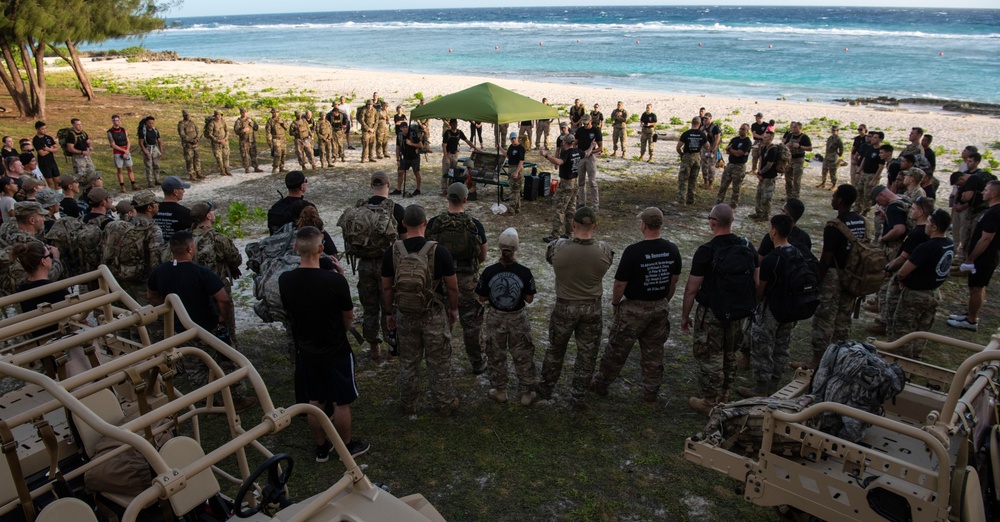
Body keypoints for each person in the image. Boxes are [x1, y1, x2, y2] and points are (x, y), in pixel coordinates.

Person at [278, 226, 368, 461]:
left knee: (315, 401)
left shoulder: (285, 280)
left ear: (296, 248)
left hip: (306, 349)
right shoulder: (334, 281)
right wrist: (340, 276)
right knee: (341, 401)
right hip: (336, 348)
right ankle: (346, 447)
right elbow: (347, 317)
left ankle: (321, 448)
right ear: (321, 248)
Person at [147, 231, 255, 410]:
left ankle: (208, 403)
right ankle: (237, 400)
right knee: (228, 362)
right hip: (207, 327)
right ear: (190, 248)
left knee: (194, 368)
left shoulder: (159, 272)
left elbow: (152, 296)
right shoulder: (200, 272)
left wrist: (171, 310)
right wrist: (223, 318)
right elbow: (223, 298)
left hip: (180, 329)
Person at [592, 207, 680, 403]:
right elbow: (674, 280)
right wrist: (664, 301)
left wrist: (616, 303)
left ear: (643, 225)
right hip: (659, 307)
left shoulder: (634, 251)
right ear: (660, 224)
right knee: (654, 351)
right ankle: (651, 391)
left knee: (617, 349)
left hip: (633, 309)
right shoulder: (672, 249)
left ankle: (601, 384)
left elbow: (620, 283)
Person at [381, 205, 460, 416]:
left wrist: (389, 313)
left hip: (405, 315)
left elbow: (387, 287)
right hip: (433, 313)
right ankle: (444, 404)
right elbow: (452, 286)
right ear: (425, 223)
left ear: (404, 224)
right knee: (439, 362)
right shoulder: (439, 251)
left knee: (408, 362)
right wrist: (453, 310)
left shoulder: (393, 251)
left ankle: (409, 404)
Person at [681, 204, 758, 414]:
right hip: (738, 311)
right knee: (730, 353)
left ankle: (709, 401)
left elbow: (691, 289)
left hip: (712, 313)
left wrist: (685, 316)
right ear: (731, 221)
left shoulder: (707, 251)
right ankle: (725, 394)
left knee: (710, 356)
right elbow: (756, 281)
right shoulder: (747, 246)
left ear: (713, 222)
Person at [538, 207, 614, 410]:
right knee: (587, 354)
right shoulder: (605, 250)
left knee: (555, 350)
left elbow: (549, 258)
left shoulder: (557, 247)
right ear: (595, 226)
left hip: (564, 306)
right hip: (592, 308)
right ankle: (578, 396)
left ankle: (546, 388)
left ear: (573, 224)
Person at [800, 185, 867, 370]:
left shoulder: (834, 226)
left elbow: (826, 258)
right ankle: (839, 357)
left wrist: (817, 281)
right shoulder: (860, 221)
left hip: (834, 276)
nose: (832, 198)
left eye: (834, 196)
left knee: (823, 318)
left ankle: (817, 360)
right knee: (843, 318)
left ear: (840, 201)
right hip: (852, 275)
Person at [426, 183, 488, 373]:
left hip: (440, 282)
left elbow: (427, 251)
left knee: (442, 324)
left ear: (448, 197)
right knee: (472, 324)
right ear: (465, 199)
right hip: (467, 281)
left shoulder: (434, 223)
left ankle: (441, 362)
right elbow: (482, 256)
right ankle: (477, 362)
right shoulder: (474, 225)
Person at [737, 214, 799, 398]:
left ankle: (761, 387)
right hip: (790, 309)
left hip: (771, 309)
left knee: (763, 347)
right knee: (782, 345)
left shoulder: (772, 259)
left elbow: (760, 289)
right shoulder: (796, 252)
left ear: (774, 231)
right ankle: (774, 384)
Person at [476, 228, 538, 406]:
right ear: (517, 248)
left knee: (496, 354)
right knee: (523, 354)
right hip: (518, 318)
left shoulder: (489, 272)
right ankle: (526, 393)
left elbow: (481, 297)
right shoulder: (525, 272)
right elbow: (529, 299)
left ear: (499, 247)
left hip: (496, 317)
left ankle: (500, 390)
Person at [347, 172, 405, 360]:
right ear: (388, 184)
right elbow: (403, 242)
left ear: (371, 185)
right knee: (389, 306)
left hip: (364, 265)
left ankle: (373, 347)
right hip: (388, 266)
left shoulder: (360, 208)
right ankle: (392, 347)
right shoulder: (396, 210)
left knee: (370, 306)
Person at [949, 180, 1000, 332]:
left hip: (985, 257)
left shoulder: (994, 213)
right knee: (978, 286)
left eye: (985, 190)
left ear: (994, 193)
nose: (982, 192)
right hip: (987, 256)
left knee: (976, 288)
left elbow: (986, 238)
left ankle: (971, 321)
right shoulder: (993, 210)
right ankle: (970, 314)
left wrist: (971, 258)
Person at [867, 185, 911, 335]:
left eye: (877, 200)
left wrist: (883, 238)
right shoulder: (903, 200)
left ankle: (884, 322)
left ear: (882, 195)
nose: (878, 204)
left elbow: (899, 229)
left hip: (893, 249)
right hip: (902, 248)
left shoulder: (893, 208)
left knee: (886, 283)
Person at [541, 134, 591, 243]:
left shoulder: (566, 153)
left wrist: (546, 155)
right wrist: (592, 146)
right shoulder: (578, 151)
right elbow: (587, 154)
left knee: (559, 209)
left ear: (564, 142)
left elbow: (559, 162)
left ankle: (555, 235)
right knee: (571, 209)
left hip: (565, 183)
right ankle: (569, 233)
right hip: (574, 183)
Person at [716, 123, 752, 209]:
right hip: (730, 165)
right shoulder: (735, 139)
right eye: (740, 128)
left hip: (739, 166)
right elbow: (727, 150)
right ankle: (718, 203)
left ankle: (733, 206)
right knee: (723, 185)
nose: (741, 130)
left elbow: (738, 154)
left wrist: (732, 150)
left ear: (747, 131)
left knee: (736, 188)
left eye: (743, 129)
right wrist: (732, 151)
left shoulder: (747, 142)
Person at [676, 117, 709, 205]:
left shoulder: (686, 134)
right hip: (697, 156)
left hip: (687, 156)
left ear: (692, 123)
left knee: (683, 179)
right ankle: (691, 199)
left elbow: (678, 147)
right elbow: (707, 146)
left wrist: (682, 154)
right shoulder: (701, 134)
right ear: (699, 124)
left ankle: (681, 200)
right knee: (693, 179)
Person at [853, 133, 887, 216]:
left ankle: (865, 211)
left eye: (875, 138)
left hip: (872, 174)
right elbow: (864, 159)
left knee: (867, 194)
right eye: (873, 137)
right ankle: (856, 209)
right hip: (864, 173)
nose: (872, 139)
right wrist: (858, 171)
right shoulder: (870, 148)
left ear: (880, 139)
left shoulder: (881, 151)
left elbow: (881, 167)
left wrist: (874, 179)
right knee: (858, 190)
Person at [575, 114, 602, 212]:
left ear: (590, 121)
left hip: (590, 158)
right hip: (581, 157)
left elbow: (600, 147)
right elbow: (575, 143)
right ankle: (581, 203)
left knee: (592, 182)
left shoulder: (596, 131)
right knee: (581, 181)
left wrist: (591, 151)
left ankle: (595, 204)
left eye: (586, 123)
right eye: (584, 123)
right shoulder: (580, 130)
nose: (585, 125)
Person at [441, 119, 475, 195]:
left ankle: (451, 187)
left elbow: (467, 141)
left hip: (455, 154)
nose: (455, 125)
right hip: (448, 153)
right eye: (453, 124)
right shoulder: (447, 133)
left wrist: (475, 148)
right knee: (445, 172)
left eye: (456, 123)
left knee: (453, 172)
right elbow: (444, 146)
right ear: (450, 125)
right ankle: (444, 189)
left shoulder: (459, 132)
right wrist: (446, 157)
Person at [153, 176, 192, 242]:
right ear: (175, 192)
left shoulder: (153, 210)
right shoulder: (185, 213)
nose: (184, 191)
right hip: (177, 249)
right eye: (182, 189)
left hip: (156, 249)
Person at [106, 115, 138, 192]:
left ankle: (133, 184)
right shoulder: (110, 132)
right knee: (119, 169)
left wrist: (127, 150)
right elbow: (113, 144)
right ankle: (122, 186)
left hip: (126, 150)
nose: (116, 122)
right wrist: (123, 151)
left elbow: (128, 141)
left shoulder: (123, 130)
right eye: (114, 120)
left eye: (117, 120)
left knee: (130, 168)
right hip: (118, 152)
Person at [782, 121, 812, 200]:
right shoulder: (790, 136)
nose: (793, 129)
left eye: (795, 127)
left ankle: (795, 197)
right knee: (788, 179)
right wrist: (786, 146)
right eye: (792, 127)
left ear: (800, 128)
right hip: (789, 159)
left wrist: (800, 146)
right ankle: (789, 195)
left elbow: (810, 148)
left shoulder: (804, 137)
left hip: (798, 160)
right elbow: (784, 145)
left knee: (796, 179)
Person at [393, 124, 423, 196]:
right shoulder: (399, 136)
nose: (405, 129)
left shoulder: (412, 135)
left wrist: (411, 143)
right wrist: (398, 159)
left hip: (414, 157)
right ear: (400, 128)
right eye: (403, 128)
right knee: (400, 172)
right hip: (405, 157)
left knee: (416, 172)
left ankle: (418, 189)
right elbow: (397, 148)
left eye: (406, 127)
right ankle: (398, 189)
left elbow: (420, 145)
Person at [234, 108, 263, 174]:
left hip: (251, 140)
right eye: (242, 112)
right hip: (244, 141)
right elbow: (236, 131)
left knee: (254, 154)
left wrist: (251, 122)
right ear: (240, 113)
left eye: (245, 112)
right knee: (245, 155)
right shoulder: (238, 121)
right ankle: (246, 168)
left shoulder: (250, 120)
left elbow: (256, 128)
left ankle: (256, 167)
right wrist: (242, 131)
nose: (244, 113)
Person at [32, 122, 59, 189]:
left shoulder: (48, 138)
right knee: (49, 182)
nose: (45, 130)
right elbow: (42, 153)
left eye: (45, 128)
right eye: (42, 129)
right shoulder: (36, 140)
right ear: (37, 129)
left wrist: (48, 149)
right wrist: (51, 149)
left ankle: (59, 195)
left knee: (58, 181)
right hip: (44, 163)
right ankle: (47, 195)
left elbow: (56, 148)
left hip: (52, 162)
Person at [177, 110, 203, 181]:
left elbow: (198, 131)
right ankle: (191, 173)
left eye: (188, 115)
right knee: (189, 159)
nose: (187, 116)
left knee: (197, 158)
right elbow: (182, 135)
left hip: (196, 144)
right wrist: (191, 140)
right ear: (183, 116)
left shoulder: (193, 122)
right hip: (188, 145)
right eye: (186, 115)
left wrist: (197, 138)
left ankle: (198, 172)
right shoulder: (181, 124)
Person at [139, 116, 164, 188]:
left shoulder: (155, 130)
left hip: (155, 148)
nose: (151, 124)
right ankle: (150, 181)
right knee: (149, 166)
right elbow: (141, 143)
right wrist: (145, 152)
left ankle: (157, 179)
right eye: (150, 123)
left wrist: (161, 151)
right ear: (146, 123)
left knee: (156, 165)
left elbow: (159, 140)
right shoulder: (143, 131)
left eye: (152, 123)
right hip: (147, 148)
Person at [206, 110, 232, 176]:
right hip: (216, 143)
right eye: (218, 115)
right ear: (215, 115)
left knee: (226, 156)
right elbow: (210, 134)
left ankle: (227, 169)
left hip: (225, 142)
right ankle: (222, 170)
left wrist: (225, 139)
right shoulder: (212, 123)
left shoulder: (223, 121)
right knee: (219, 157)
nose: (219, 116)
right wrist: (217, 140)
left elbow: (227, 131)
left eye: (220, 115)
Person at [700, 112, 722, 189]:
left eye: (707, 118)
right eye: (704, 118)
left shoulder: (715, 127)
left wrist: (713, 149)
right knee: (703, 165)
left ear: (710, 118)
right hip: (704, 148)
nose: (705, 120)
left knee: (711, 166)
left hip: (712, 148)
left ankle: (711, 183)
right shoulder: (702, 127)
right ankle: (705, 181)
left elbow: (717, 139)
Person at [506, 132, 526, 215]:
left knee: (514, 191)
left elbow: (521, 161)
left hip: (517, 168)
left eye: (514, 138)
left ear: (517, 138)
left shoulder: (521, 148)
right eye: (512, 139)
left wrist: (517, 172)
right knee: (515, 190)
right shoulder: (511, 147)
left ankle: (511, 209)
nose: (513, 140)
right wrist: (499, 148)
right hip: (511, 167)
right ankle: (517, 208)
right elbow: (507, 155)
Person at [818, 125, 843, 190]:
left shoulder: (838, 139)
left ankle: (834, 184)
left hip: (834, 157)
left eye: (834, 130)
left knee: (833, 171)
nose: (833, 132)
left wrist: (838, 155)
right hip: (827, 156)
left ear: (837, 131)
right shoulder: (830, 138)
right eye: (832, 130)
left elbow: (841, 149)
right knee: (824, 170)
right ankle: (823, 182)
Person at [265, 107, 288, 173]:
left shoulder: (282, 119)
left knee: (284, 153)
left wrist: (282, 123)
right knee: (277, 154)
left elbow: (287, 127)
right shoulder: (270, 121)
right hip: (275, 139)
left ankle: (281, 167)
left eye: (277, 112)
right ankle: (275, 167)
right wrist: (269, 140)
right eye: (274, 112)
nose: (275, 114)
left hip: (283, 139)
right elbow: (268, 132)